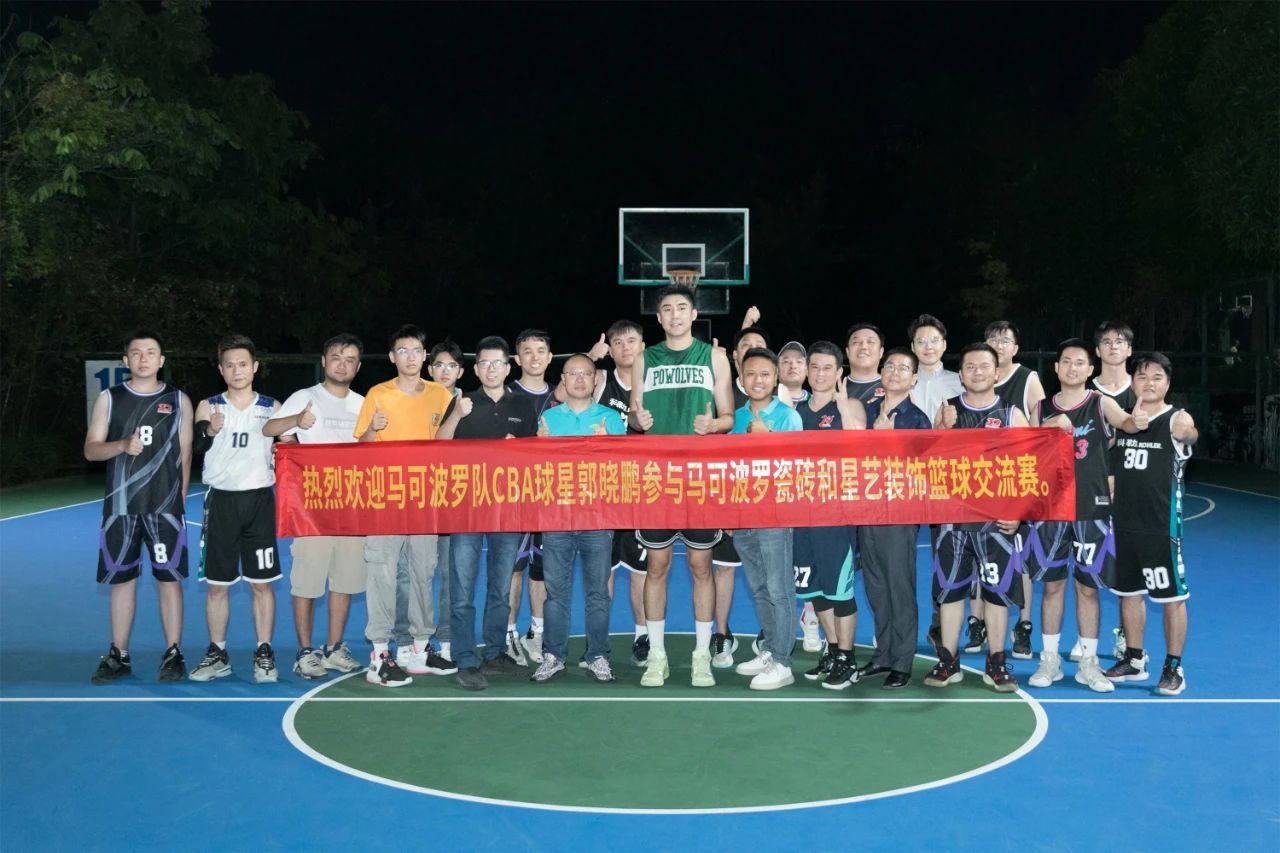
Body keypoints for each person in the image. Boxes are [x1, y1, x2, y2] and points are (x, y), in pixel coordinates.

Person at [1024, 339, 1145, 693]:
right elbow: (1025, 449)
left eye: (1080, 362)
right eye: (1066, 361)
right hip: (1050, 509)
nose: (1073, 367)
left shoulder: (1100, 402)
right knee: (1052, 586)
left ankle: (1088, 662)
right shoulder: (1041, 408)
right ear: (1056, 368)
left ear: (1090, 370)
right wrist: (1047, 425)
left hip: (1092, 508)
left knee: (1088, 588)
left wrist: (1137, 418)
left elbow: (1127, 423)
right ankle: (1049, 659)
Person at [630, 283, 735, 688]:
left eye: (681, 308)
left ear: (693, 315)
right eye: (667, 309)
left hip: (699, 478)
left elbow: (728, 416)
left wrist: (714, 424)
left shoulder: (714, 357)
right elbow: (635, 414)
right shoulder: (645, 359)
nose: (675, 315)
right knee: (656, 567)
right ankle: (656, 656)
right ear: (659, 318)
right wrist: (638, 421)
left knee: (700, 567)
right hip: (657, 477)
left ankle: (701, 656)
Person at [353, 325, 457, 687]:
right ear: (392, 357)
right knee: (382, 573)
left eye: (416, 351)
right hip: (385, 498)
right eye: (402, 351)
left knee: (423, 573)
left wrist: (457, 415)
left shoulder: (440, 395)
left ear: (424, 356)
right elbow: (360, 449)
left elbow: (448, 444)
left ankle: (420, 648)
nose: (410, 357)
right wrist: (372, 429)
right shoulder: (377, 394)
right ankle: (380, 654)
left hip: (425, 499)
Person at [86, 333, 193, 684]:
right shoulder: (110, 399)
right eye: (136, 353)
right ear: (125, 361)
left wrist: (179, 498)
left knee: (169, 581)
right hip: (121, 507)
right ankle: (119, 654)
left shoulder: (178, 399)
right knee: (122, 581)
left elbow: (185, 453)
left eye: (150, 353)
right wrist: (121, 445)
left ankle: (173, 652)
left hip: (164, 506)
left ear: (161, 360)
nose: (143, 358)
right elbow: (91, 449)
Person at [924, 343, 1029, 693]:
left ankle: (996, 662)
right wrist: (941, 428)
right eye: (970, 366)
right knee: (951, 591)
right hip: (953, 520)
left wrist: (1018, 511)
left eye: (985, 366)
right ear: (961, 374)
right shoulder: (948, 410)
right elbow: (927, 462)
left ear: (997, 373)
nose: (978, 372)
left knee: (996, 592)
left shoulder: (1012, 414)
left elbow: (1030, 467)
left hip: (996, 521)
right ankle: (948, 659)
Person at [263, 333, 367, 679]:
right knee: (307, 582)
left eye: (350, 359)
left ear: (358, 367)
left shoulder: (363, 404)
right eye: (336, 357)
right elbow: (269, 428)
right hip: (311, 509)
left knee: (345, 580)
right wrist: (295, 421)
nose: (342, 364)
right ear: (324, 361)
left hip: (351, 507)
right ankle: (305, 651)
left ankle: (334, 648)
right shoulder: (305, 398)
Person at [437, 335, 539, 690]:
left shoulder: (522, 405)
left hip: (506, 509)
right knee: (462, 588)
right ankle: (465, 658)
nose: (491, 369)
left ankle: (495, 652)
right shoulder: (462, 402)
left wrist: (520, 449)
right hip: (465, 508)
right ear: (476, 369)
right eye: (484, 363)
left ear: (508, 368)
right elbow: (438, 446)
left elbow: (535, 456)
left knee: (500, 586)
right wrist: (456, 416)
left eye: (498, 363)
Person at [188, 334, 282, 684]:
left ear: (255, 367)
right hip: (221, 502)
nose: (237, 370)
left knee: (262, 584)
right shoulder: (209, 405)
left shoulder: (272, 407)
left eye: (243, 364)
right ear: (221, 369)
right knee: (217, 585)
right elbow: (198, 444)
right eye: (230, 365)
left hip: (259, 502)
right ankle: (218, 653)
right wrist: (210, 429)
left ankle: (264, 651)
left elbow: (290, 446)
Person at [1102, 353, 1197, 695]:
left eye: (1157, 377)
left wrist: (1188, 432)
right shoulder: (1125, 421)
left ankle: (1173, 666)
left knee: (1172, 597)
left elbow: (1189, 434)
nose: (1149, 383)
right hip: (1124, 524)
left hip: (1160, 527)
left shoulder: (1175, 418)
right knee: (1129, 594)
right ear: (1132, 382)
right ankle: (1134, 658)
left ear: (1168, 384)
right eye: (1142, 376)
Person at [531, 353, 626, 683]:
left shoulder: (610, 419)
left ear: (596, 379)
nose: (581, 379)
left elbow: (624, 471)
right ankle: (553, 656)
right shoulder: (549, 419)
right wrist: (538, 448)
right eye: (573, 373)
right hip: (557, 518)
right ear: (564, 380)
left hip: (597, 519)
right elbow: (536, 470)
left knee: (598, 592)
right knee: (555, 592)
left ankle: (598, 655)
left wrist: (607, 447)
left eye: (587, 373)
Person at [729, 347, 804, 689]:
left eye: (764, 374)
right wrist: (729, 512)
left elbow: (798, 468)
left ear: (775, 379)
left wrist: (768, 440)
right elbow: (729, 470)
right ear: (741, 379)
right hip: (743, 516)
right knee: (759, 587)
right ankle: (771, 650)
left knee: (779, 588)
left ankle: (783, 662)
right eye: (750, 374)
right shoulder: (736, 418)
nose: (757, 380)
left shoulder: (788, 417)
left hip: (775, 515)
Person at [857, 348, 931, 690]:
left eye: (903, 368)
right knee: (875, 587)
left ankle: (902, 661)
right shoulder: (867, 411)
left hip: (899, 514)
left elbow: (922, 470)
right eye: (890, 366)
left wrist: (887, 441)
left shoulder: (917, 419)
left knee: (899, 586)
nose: (895, 372)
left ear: (914, 378)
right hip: (867, 511)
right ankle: (883, 654)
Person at [792, 341, 864, 689]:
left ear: (839, 372)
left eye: (827, 368)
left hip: (837, 515)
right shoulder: (794, 411)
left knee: (840, 591)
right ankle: (833, 650)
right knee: (814, 589)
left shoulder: (850, 406)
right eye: (814, 367)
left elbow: (861, 446)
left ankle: (848, 659)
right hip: (800, 514)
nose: (820, 374)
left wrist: (843, 406)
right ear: (806, 371)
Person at [588, 319, 651, 665]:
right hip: (605, 492)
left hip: (644, 491)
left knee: (642, 571)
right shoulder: (599, 380)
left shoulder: (654, 384)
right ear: (610, 350)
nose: (625, 347)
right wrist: (589, 357)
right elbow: (563, 393)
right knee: (604, 572)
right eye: (618, 343)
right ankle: (599, 642)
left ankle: (643, 636)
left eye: (631, 341)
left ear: (643, 346)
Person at [708, 324, 770, 668]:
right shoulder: (725, 402)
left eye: (759, 345)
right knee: (724, 570)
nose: (751, 349)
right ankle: (721, 634)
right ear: (736, 359)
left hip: (770, 509)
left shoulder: (783, 407)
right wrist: (724, 507)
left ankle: (768, 634)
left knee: (768, 575)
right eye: (745, 344)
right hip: (731, 504)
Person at [985, 319, 1045, 659]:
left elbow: (1040, 430)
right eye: (993, 339)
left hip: (1015, 478)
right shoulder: (977, 375)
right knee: (981, 555)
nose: (998, 344)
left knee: (1020, 558)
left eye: (1005, 340)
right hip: (980, 481)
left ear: (1015, 348)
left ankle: (1023, 625)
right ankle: (979, 622)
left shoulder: (1027, 379)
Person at [505, 329, 559, 666]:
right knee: (513, 568)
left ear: (550, 358)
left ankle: (536, 632)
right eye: (527, 351)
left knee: (542, 570)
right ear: (517, 359)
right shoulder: (505, 395)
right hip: (513, 497)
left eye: (541, 350)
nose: (535, 357)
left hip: (549, 498)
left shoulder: (561, 396)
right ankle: (509, 633)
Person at [424, 340, 465, 660]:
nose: (445, 371)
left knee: (452, 576)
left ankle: (448, 640)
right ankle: (415, 638)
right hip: (421, 498)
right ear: (430, 369)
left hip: (456, 501)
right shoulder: (415, 398)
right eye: (439, 365)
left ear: (461, 372)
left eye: (451, 366)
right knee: (417, 574)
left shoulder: (470, 403)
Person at [908, 314, 962, 424]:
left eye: (934, 340)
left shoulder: (961, 382)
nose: (929, 347)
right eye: (921, 342)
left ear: (944, 345)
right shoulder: (902, 383)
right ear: (913, 347)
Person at [843, 323, 885, 404]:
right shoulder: (833, 387)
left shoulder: (894, 387)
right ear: (848, 352)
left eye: (870, 342)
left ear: (881, 352)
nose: (863, 347)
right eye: (856, 342)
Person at [777, 341, 810, 406]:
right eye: (786, 361)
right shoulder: (765, 402)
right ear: (776, 370)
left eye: (799, 361)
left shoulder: (819, 402)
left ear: (807, 370)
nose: (793, 366)